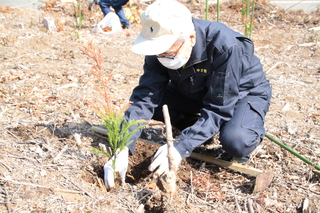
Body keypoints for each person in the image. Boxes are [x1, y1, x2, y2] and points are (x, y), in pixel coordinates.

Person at [103, 0, 272, 190]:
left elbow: (218, 106)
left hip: (241, 94)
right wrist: (123, 146)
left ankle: (236, 125)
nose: (162, 58)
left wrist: (180, 147)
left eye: (168, 52)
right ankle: (197, 126)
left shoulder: (224, 46)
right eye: (158, 53)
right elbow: (145, 98)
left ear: (191, 38)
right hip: (194, 90)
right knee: (152, 105)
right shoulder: (158, 46)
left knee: (236, 141)